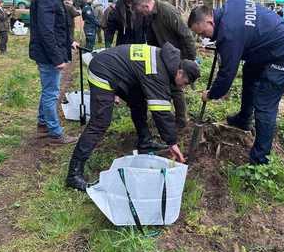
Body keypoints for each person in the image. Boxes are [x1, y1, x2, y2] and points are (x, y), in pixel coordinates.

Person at [66, 42, 200, 191]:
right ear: (180, 72)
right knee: (100, 123)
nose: (183, 87)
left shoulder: (166, 61)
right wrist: (172, 142)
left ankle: (145, 142)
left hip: (120, 72)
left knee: (138, 102)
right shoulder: (158, 72)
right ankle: (74, 174)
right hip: (103, 71)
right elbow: (161, 111)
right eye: (185, 83)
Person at [188, 0, 284, 166]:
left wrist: (212, 93)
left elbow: (227, 74)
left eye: (202, 33)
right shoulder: (231, 5)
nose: (202, 38)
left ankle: (260, 159)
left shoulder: (229, 34)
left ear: (209, 21)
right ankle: (244, 119)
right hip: (266, 47)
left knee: (265, 103)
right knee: (250, 72)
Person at [29, 0, 79, 144]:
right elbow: (46, 31)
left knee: (48, 91)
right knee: (51, 93)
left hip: (50, 52)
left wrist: (69, 41)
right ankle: (55, 133)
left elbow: (58, 25)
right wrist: (57, 58)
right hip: (47, 55)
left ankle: (43, 125)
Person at [132, 0, 197, 128]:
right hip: (161, 55)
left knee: (176, 88)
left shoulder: (167, 11)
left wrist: (190, 61)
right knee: (160, 86)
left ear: (146, 6)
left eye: (141, 12)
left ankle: (180, 121)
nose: (141, 15)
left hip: (176, 55)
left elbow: (186, 36)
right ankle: (164, 117)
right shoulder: (150, 15)